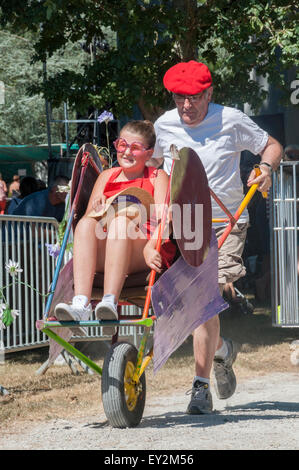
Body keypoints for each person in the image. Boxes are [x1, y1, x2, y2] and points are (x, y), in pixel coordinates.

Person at [151, 60, 283, 414]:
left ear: (210, 93)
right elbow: (155, 169)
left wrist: (265, 168)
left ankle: (199, 387)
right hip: (183, 222)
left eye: (194, 98)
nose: (186, 106)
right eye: (179, 98)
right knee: (194, 302)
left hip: (226, 220)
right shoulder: (164, 125)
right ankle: (223, 350)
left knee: (206, 297)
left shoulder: (231, 120)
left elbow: (271, 145)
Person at [54, 120, 171, 336]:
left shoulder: (157, 176)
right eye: (122, 145)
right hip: (107, 248)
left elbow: (166, 220)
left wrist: (150, 248)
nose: (127, 152)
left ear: (149, 153)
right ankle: (81, 304)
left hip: (139, 249)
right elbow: (88, 223)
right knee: (87, 223)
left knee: (121, 223)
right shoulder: (106, 176)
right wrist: (97, 208)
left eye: (135, 148)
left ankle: (109, 300)